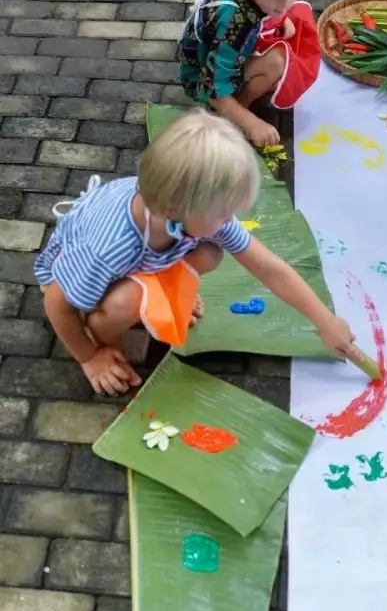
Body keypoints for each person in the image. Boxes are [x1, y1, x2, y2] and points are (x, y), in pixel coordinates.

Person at [35, 109, 356, 396]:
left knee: (210, 253)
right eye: (223, 212)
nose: (229, 220)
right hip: (83, 276)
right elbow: (56, 303)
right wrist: (90, 357)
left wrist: (324, 321)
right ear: (176, 209)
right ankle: (106, 336)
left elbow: (270, 268)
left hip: (143, 259)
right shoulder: (107, 248)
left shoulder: (192, 213)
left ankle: (163, 292)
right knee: (126, 303)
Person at [179, 0, 319, 149]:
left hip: (228, 53)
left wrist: (279, 17)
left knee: (294, 20)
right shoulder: (236, 23)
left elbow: (269, 5)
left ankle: (244, 100)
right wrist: (253, 123)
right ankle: (231, 118)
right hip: (204, 80)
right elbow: (214, 88)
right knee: (277, 62)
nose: (285, 3)